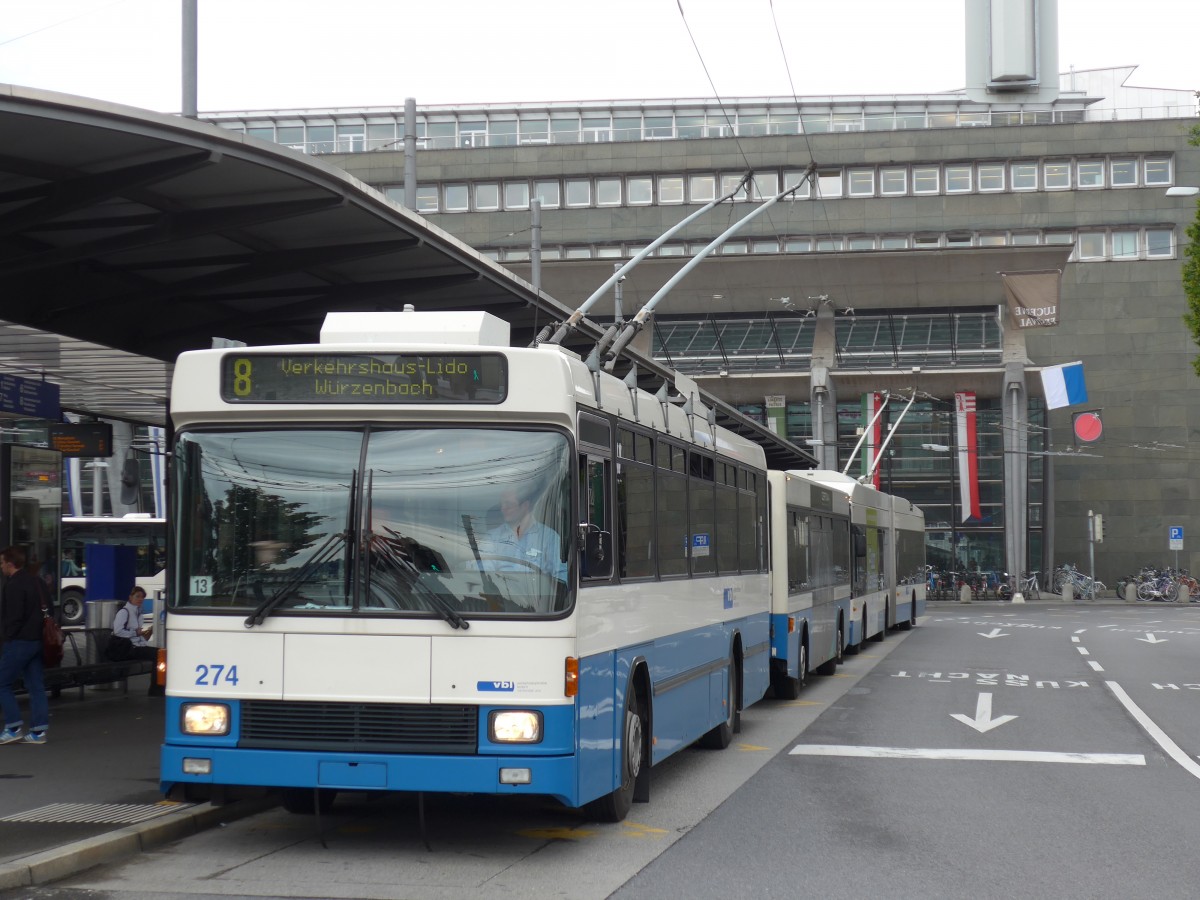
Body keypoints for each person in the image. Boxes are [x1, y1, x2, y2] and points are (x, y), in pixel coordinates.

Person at [0, 546, 50, 744]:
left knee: (2, 683)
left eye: (2, 563)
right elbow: (48, 610)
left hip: (19, 642)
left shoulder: (13, 585)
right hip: (38, 641)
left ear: (11, 564)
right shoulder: (37, 581)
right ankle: (38, 732)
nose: (1, 567)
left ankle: (13, 727)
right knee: (36, 686)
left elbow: (13, 617)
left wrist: (7, 638)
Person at [479, 487, 568, 584]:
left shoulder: (548, 537)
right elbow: (483, 573)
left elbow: (561, 578)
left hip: (538, 597)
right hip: (501, 595)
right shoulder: (492, 538)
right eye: (501, 504)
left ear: (525, 506)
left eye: (508, 504)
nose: (503, 508)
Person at [111, 587, 163, 695]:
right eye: (137, 596)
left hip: (137, 646)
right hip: (128, 648)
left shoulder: (138, 614)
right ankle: (156, 689)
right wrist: (135, 633)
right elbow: (117, 631)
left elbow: (138, 635)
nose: (140, 599)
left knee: (161, 653)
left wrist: (145, 635)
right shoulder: (124, 612)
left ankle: (158, 687)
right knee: (158, 655)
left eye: (142, 597)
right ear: (130, 597)